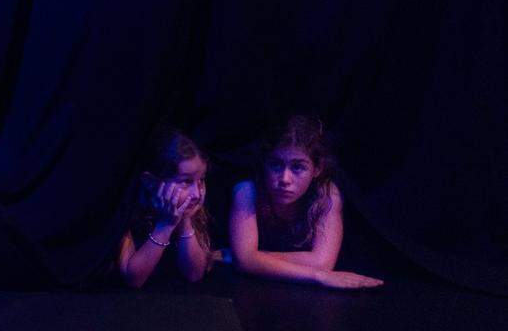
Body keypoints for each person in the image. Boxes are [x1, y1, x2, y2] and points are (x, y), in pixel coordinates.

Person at [229, 114, 383, 289]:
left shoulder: (325, 195)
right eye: (275, 164)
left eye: (298, 167)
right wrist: (318, 276)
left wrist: (254, 257)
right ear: (264, 163)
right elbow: (245, 262)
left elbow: (322, 262)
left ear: (317, 169)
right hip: (254, 288)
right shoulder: (248, 191)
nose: (285, 179)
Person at [117, 129, 212, 287]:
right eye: (186, 181)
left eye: (201, 180)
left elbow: (194, 274)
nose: (197, 193)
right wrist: (165, 226)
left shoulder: (192, 210)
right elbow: (134, 279)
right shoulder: (127, 211)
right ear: (150, 182)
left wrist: (185, 220)